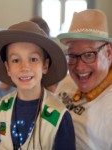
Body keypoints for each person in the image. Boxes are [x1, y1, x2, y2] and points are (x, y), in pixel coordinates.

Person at [0, 21, 76, 149]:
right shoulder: (3, 107)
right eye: (16, 60)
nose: (24, 67)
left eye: (33, 59)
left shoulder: (59, 117)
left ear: (45, 65)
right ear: (8, 68)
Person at [57, 9, 112, 150]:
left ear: (109, 53)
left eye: (89, 55)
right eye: (73, 56)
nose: (79, 67)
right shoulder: (66, 82)